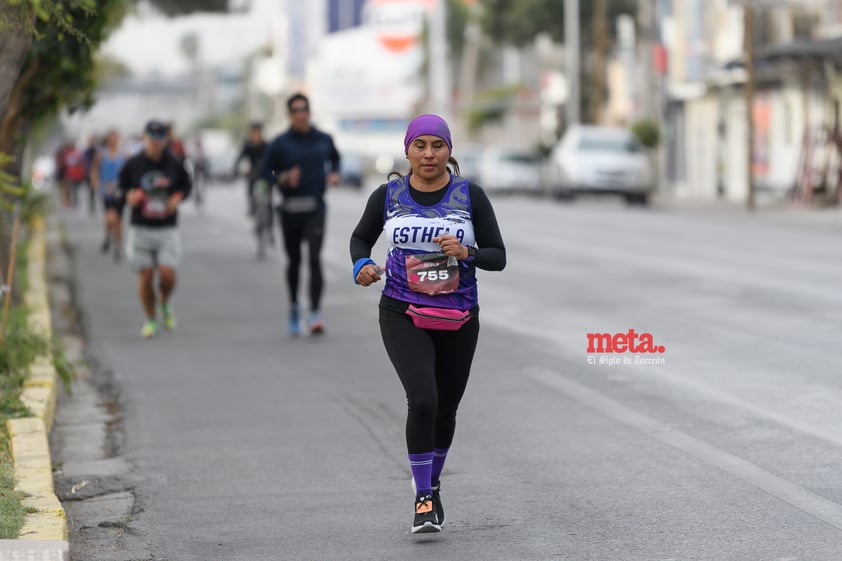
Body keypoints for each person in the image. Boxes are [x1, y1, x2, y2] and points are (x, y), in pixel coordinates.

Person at [349, 114, 506, 534]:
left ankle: (433, 484)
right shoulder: (389, 195)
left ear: (450, 151)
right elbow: (360, 238)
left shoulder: (470, 196)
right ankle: (422, 498)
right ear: (408, 151)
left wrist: (466, 251)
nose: (429, 154)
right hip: (402, 310)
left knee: (446, 409)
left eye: (437, 145)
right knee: (423, 400)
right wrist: (361, 264)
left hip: (458, 315)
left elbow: (498, 255)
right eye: (420, 146)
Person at [260, 93, 340, 336]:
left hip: (315, 208)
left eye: (304, 108)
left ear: (309, 112)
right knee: (294, 261)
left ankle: (315, 313)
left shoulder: (323, 139)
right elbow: (265, 172)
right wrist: (282, 177)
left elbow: (335, 158)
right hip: (290, 209)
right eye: (295, 110)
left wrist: (334, 172)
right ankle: (295, 305)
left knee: (314, 259)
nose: (301, 113)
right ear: (289, 115)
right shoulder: (280, 143)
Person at [119, 120, 192, 338]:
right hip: (141, 227)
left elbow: (187, 185)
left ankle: (164, 301)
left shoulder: (175, 163)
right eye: (152, 137)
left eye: (160, 137)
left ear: (166, 140)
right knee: (146, 275)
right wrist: (129, 196)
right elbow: (121, 188)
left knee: (167, 274)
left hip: (166, 228)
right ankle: (150, 319)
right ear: (145, 138)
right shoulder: (134, 164)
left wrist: (178, 197)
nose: (156, 142)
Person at [90, 129, 126, 262]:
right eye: (111, 138)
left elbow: (129, 172)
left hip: (120, 191)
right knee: (110, 217)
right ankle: (107, 237)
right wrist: (95, 182)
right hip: (106, 190)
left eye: (115, 138)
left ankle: (117, 247)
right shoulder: (101, 155)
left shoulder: (124, 155)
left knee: (118, 222)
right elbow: (95, 169)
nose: (113, 141)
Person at [233, 121, 268, 217]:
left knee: (268, 193)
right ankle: (252, 207)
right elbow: (240, 157)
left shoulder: (265, 144)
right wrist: (235, 168)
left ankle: (269, 217)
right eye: (254, 132)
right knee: (250, 189)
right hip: (253, 172)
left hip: (264, 173)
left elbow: (271, 158)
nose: (256, 135)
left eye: (258, 132)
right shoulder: (248, 145)